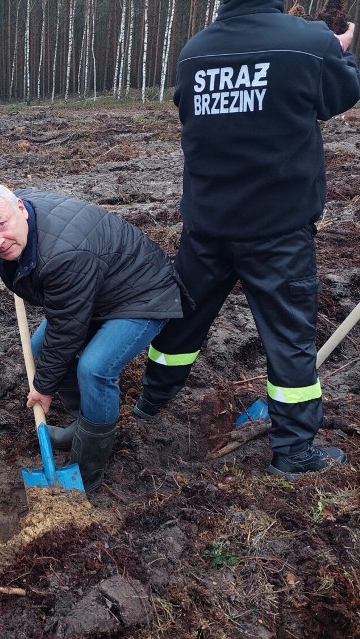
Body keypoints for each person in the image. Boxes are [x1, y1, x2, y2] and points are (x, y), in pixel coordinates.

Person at [134, 1, 359, 479]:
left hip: (208, 224)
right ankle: (294, 452)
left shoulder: (195, 51)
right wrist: (342, 51)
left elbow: (187, 108)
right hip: (277, 230)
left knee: (182, 323)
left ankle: (148, 408)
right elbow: (343, 94)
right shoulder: (309, 42)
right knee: (289, 340)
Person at [0, 185, 189, 492]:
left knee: (95, 369)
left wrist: (44, 388)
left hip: (142, 293)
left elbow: (67, 329)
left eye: (0, 225)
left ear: (20, 208)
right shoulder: (17, 226)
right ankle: (82, 425)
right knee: (39, 349)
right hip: (96, 289)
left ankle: (89, 468)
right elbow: (63, 318)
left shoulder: (63, 254)